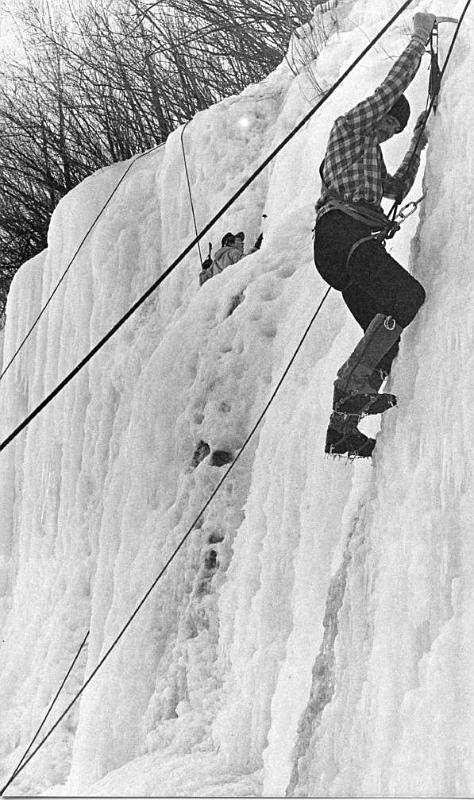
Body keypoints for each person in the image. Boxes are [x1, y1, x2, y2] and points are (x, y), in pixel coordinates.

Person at [314, 12, 436, 458]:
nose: (387, 132)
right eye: (388, 124)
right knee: (407, 297)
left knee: (386, 340)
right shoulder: (350, 128)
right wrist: (419, 39)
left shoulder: (368, 161)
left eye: (393, 131)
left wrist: (420, 135)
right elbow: (390, 88)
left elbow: (396, 188)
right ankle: (348, 387)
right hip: (342, 236)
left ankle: (342, 429)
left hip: (342, 248)